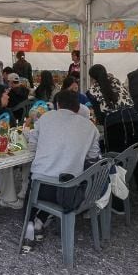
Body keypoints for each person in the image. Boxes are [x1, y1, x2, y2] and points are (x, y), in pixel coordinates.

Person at [22, 89, 102, 250]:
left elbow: (32, 146)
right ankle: (40, 222)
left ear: (58, 104)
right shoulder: (90, 127)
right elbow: (93, 156)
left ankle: (29, 224)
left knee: (35, 182)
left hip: (41, 187)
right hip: (69, 192)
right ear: (78, 107)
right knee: (62, 177)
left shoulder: (45, 118)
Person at [87, 64, 138, 221]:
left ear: (92, 78)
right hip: (134, 123)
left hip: (114, 127)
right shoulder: (117, 81)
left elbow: (100, 117)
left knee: (116, 165)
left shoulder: (92, 91)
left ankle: (118, 205)